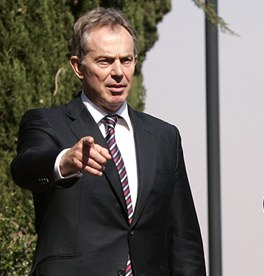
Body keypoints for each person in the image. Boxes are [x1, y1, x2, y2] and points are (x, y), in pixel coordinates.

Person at [10, 7, 205, 276]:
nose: (118, 72)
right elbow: (25, 167)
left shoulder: (164, 137)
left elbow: (184, 238)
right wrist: (63, 161)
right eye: (105, 61)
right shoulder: (48, 123)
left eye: (126, 60)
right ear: (78, 66)